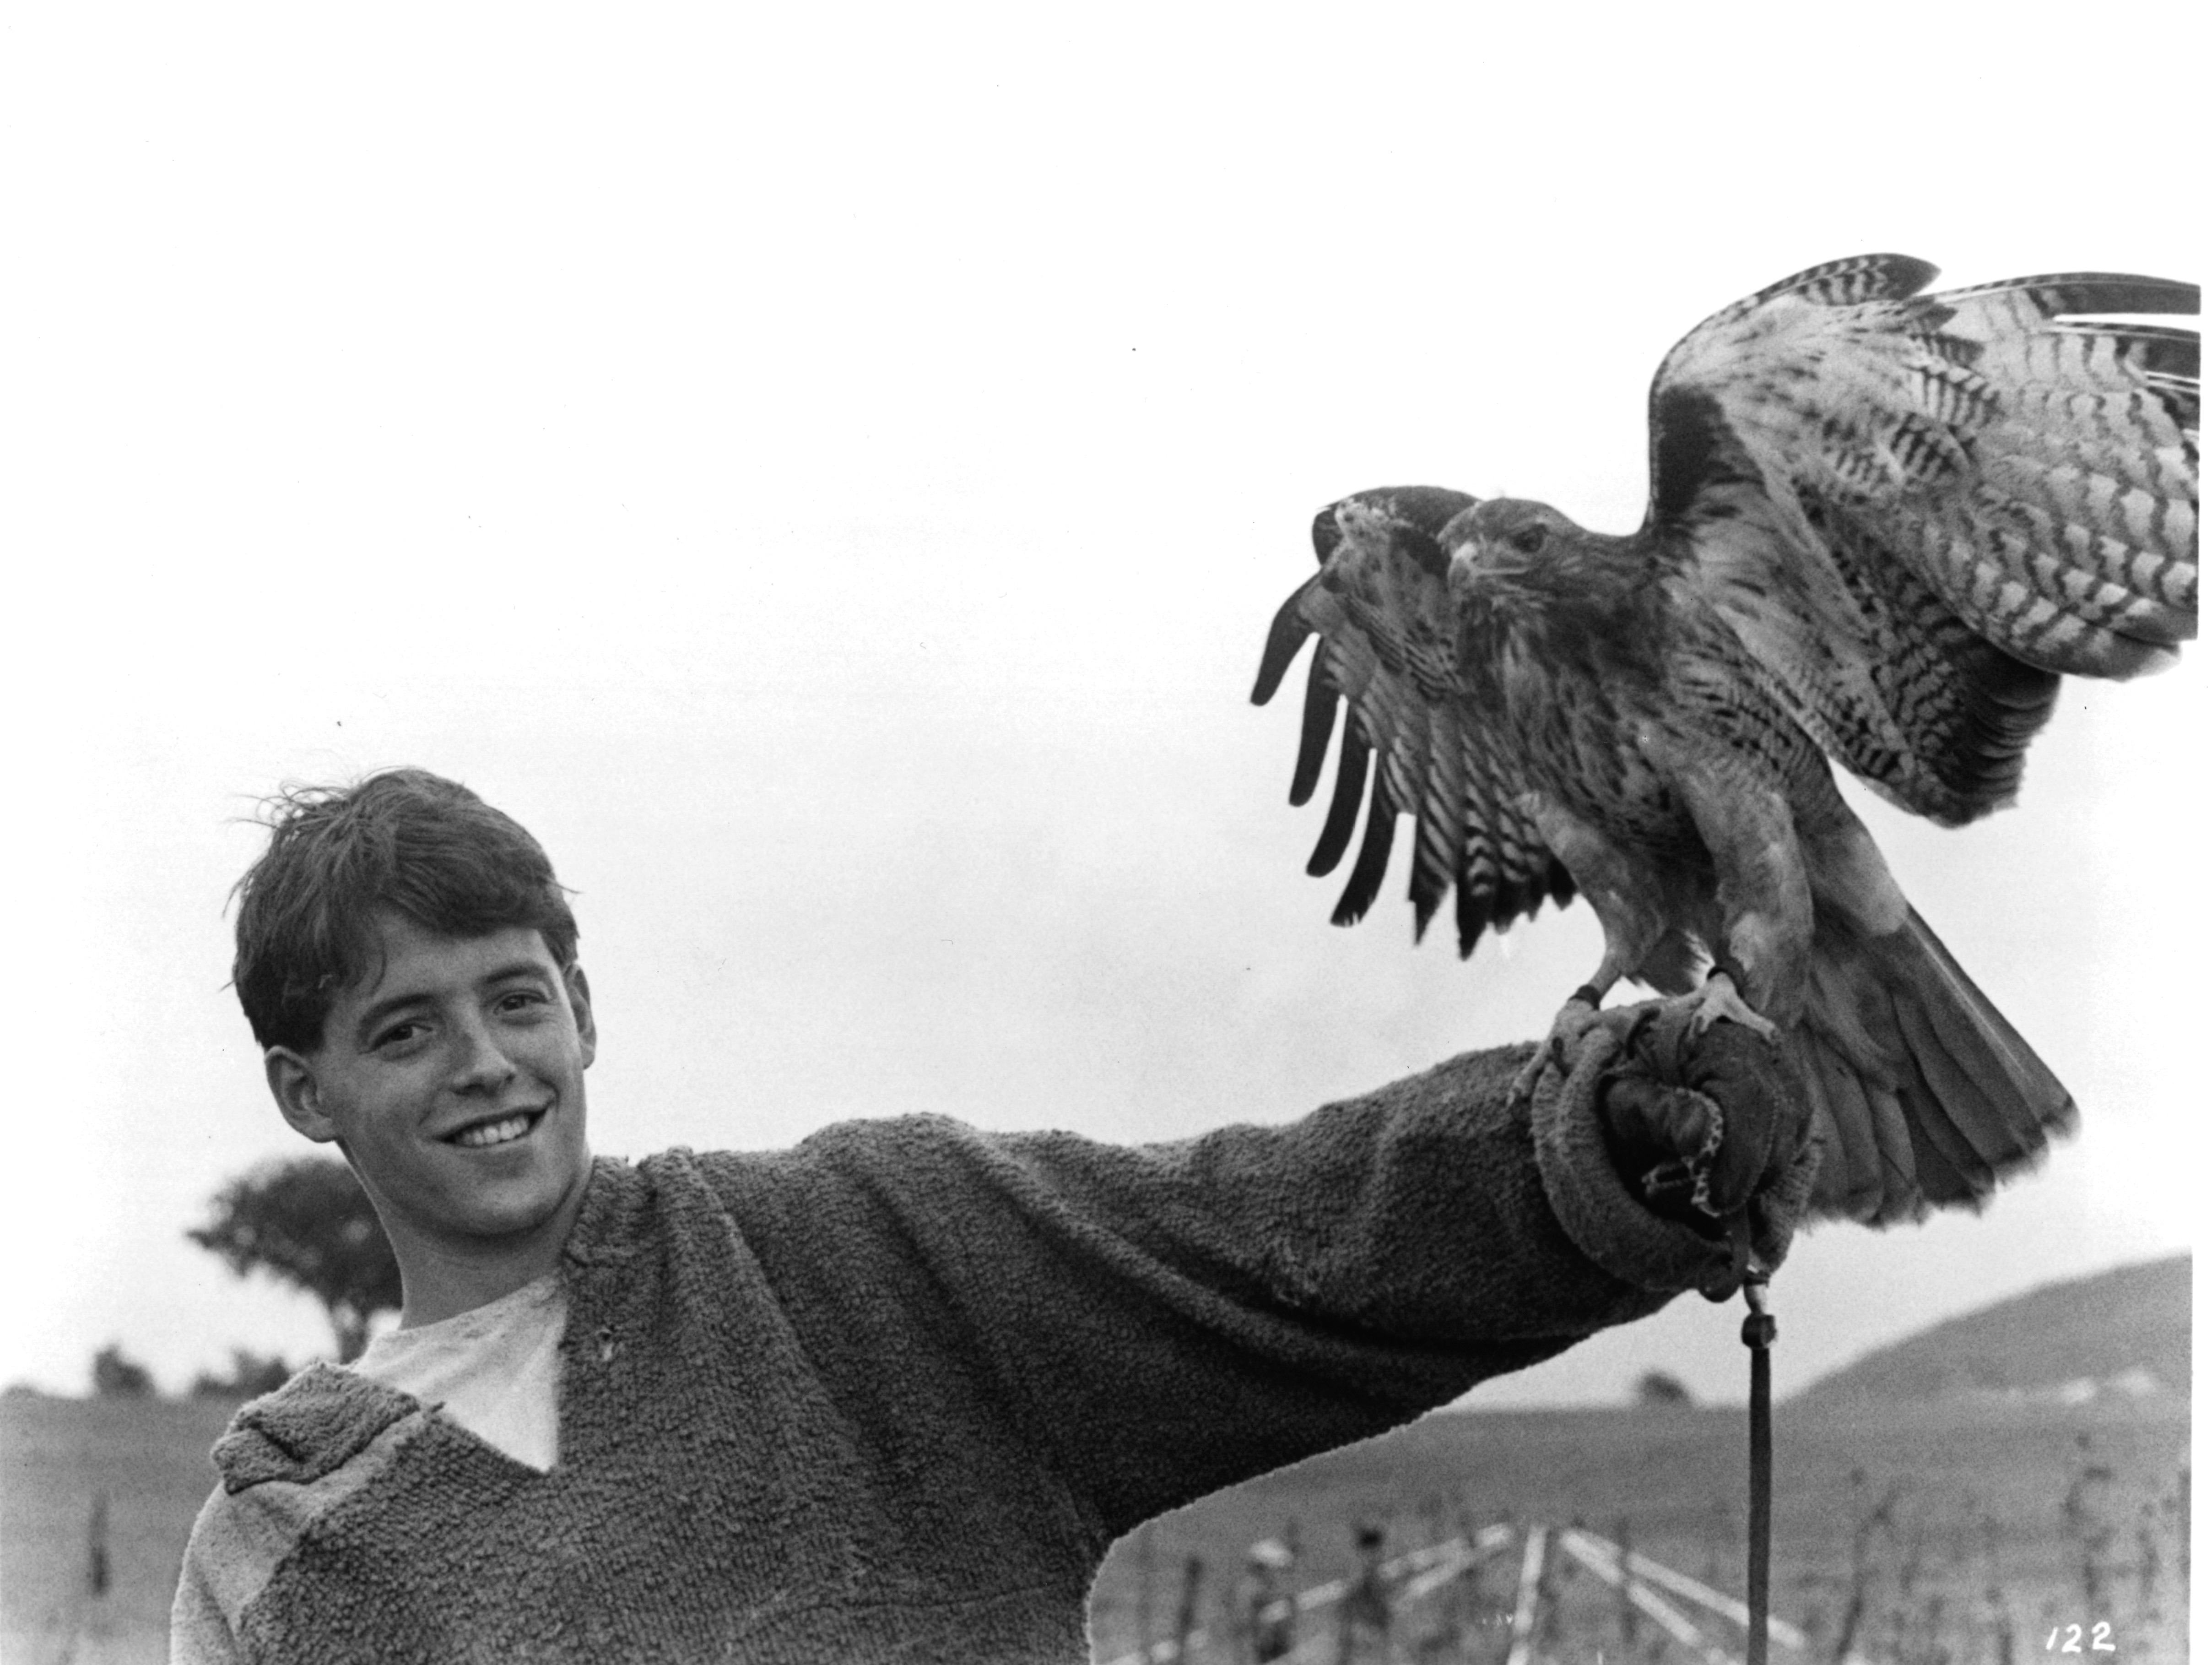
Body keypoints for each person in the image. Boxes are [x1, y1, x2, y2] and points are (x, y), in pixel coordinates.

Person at [170, 768, 1816, 1664]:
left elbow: (1265, 1238)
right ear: (304, 1092)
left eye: (513, 997)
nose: (485, 1063)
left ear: (583, 1009)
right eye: (404, 1027)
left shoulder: (855, 1252)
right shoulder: (286, 1543)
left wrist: (1586, 1137)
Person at [1335, 1524, 1392, 1665]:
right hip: (1361, 1639)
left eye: (1375, 1552)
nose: (1371, 1557)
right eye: (1368, 1552)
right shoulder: (1358, 1583)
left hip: (1371, 1642)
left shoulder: (1378, 1580)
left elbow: (1384, 1615)